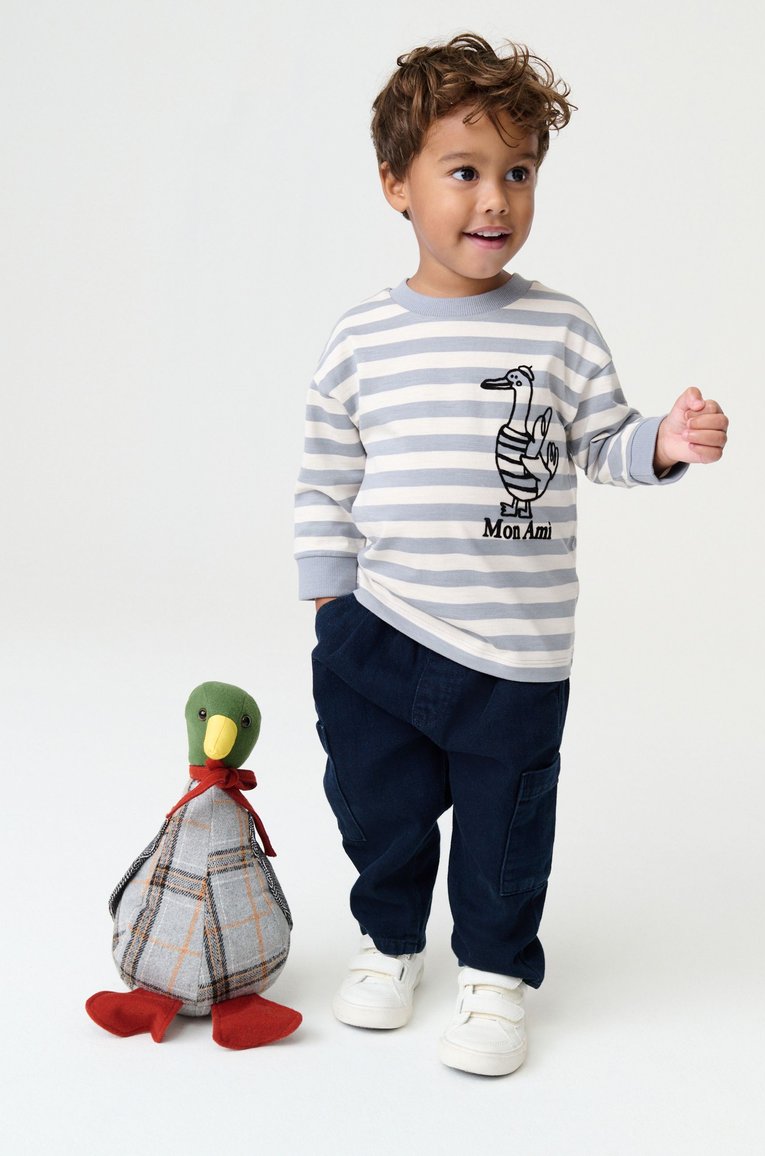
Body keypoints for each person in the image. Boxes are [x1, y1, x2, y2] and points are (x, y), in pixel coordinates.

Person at [294, 32, 728, 1077]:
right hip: (380, 635)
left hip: (513, 650)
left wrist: (661, 442)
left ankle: (493, 976)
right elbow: (321, 482)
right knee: (376, 807)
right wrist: (329, 610)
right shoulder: (359, 338)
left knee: (503, 827)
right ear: (396, 184)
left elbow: (599, 437)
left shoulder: (559, 327)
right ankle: (389, 944)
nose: (494, 200)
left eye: (517, 173)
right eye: (464, 171)